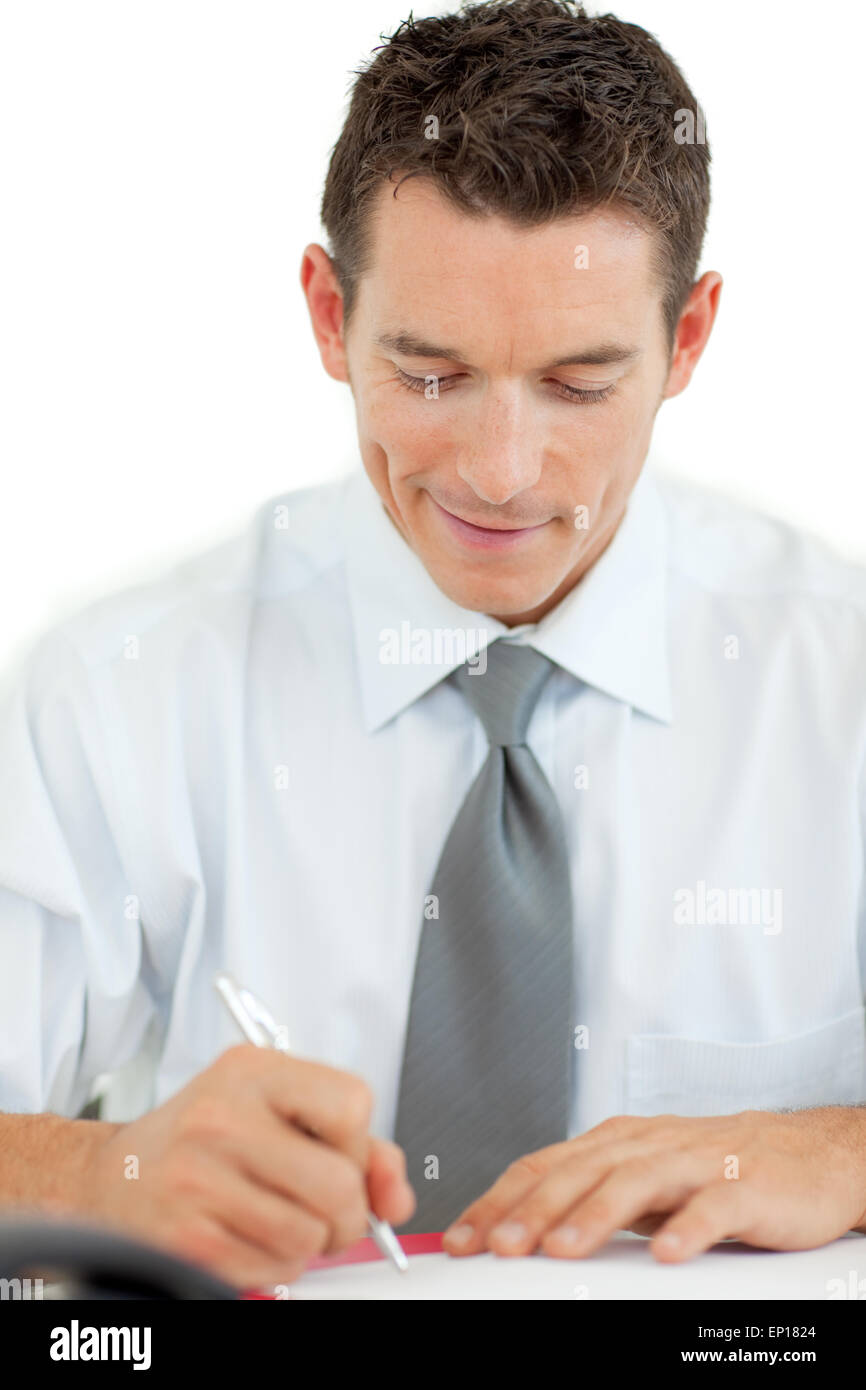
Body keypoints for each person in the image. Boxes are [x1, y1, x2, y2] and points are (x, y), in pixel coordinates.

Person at [1, 0, 864, 1292]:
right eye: (429, 373)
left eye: (576, 384)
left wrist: (848, 1148)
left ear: (686, 340)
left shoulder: (837, 680)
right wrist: (103, 1170)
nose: (502, 474)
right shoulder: (117, 697)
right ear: (324, 312)